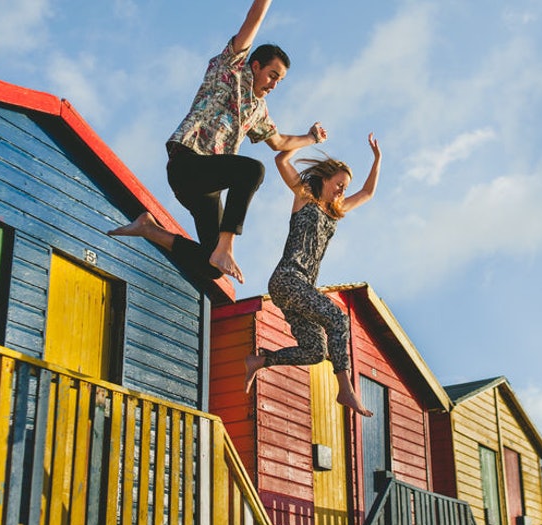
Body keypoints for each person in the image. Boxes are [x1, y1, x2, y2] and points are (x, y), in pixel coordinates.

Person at [108, 0, 327, 284]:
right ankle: (227, 245)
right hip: (187, 161)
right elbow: (254, 18)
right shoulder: (231, 68)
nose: (274, 84)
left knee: (213, 266)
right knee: (252, 170)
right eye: (272, 75)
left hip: (204, 188)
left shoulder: (259, 110)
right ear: (256, 66)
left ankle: (149, 229)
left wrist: (311, 137)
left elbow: (279, 141)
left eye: (279, 81)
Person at [244, 133, 382, 417]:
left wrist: (377, 159)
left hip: (301, 288)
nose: (342, 191)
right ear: (325, 179)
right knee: (338, 319)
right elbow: (281, 159)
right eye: (339, 185)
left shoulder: (336, 210)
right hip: (287, 279)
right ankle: (346, 389)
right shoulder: (304, 194)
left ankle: (260, 361)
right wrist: (310, 138)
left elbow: (367, 193)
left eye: (345, 188)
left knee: (316, 351)